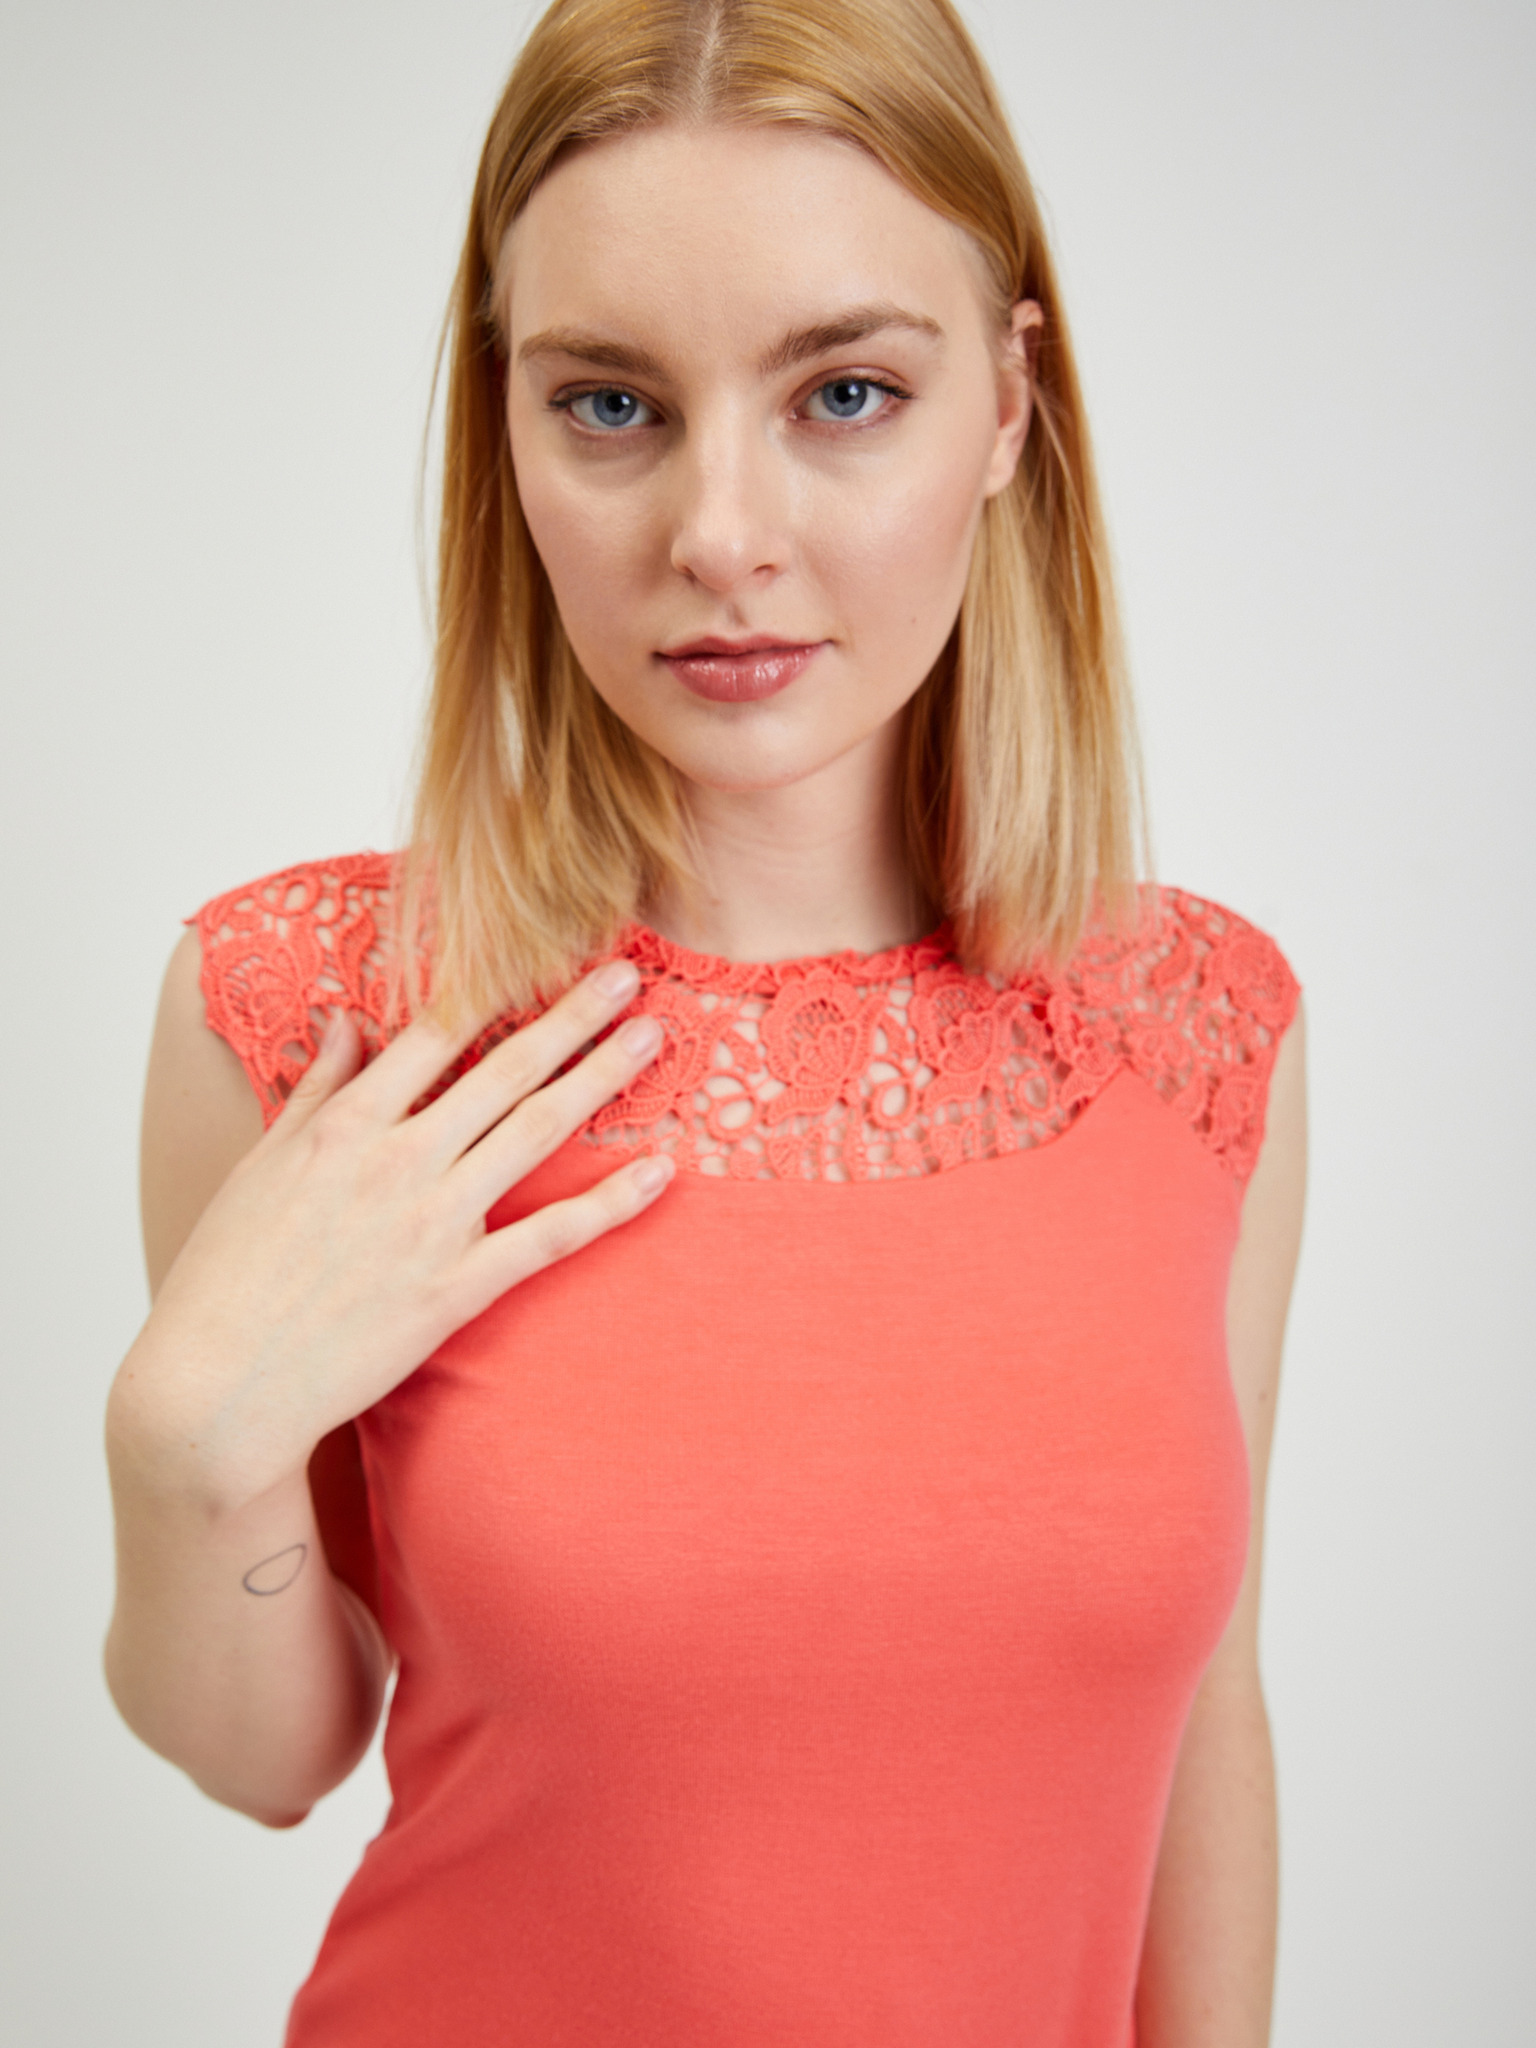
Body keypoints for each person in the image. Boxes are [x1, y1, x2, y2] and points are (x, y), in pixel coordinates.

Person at [104, 0, 1307, 2041]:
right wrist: (179, 1449)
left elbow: (1209, 1724)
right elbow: (272, 1755)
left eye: (845, 393)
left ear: (1008, 405)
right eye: (611, 404)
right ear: (506, 423)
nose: (721, 533)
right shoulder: (322, 1012)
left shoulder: (1195, 1034)